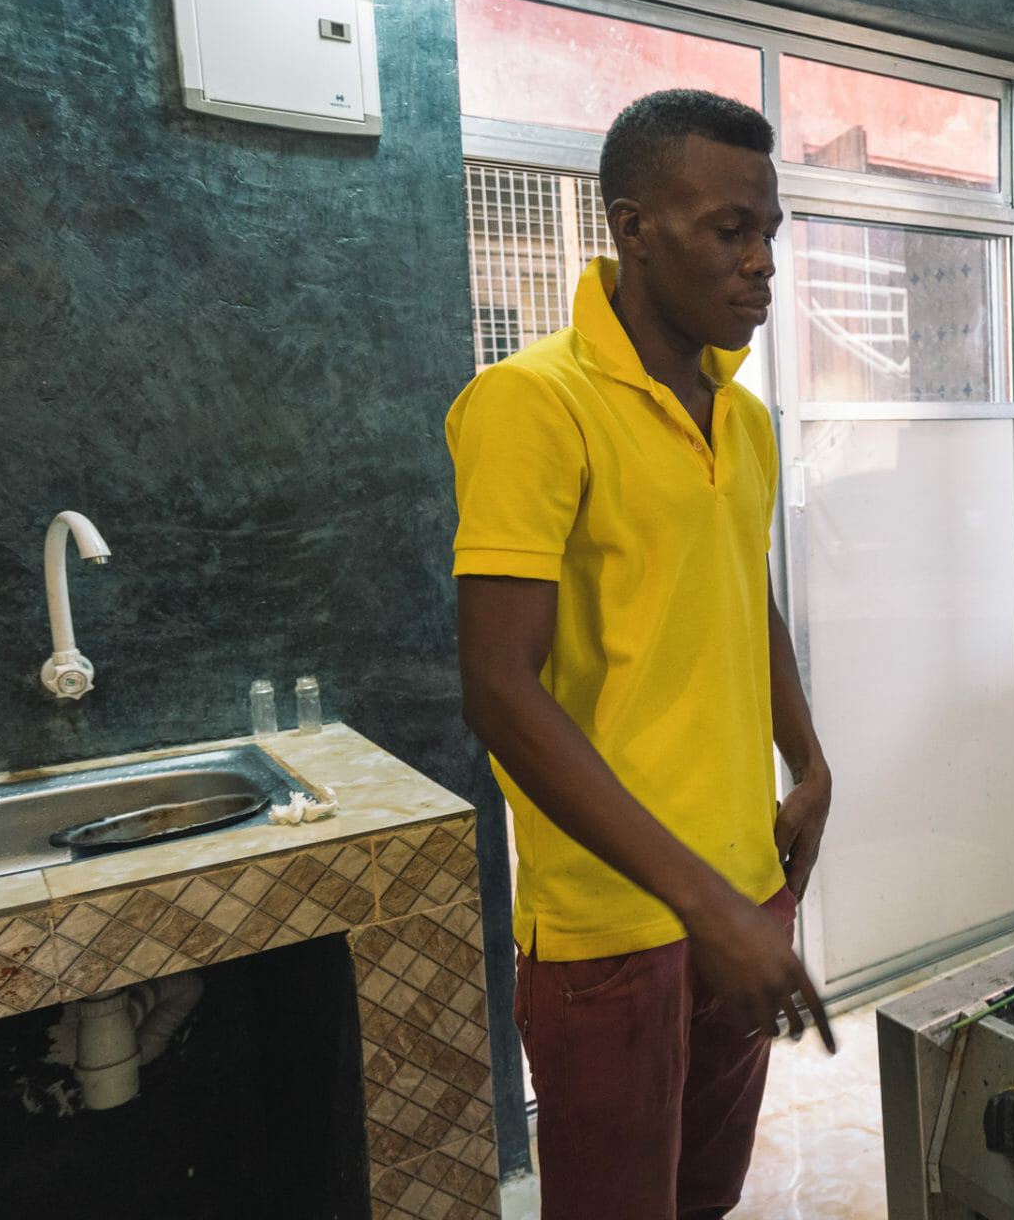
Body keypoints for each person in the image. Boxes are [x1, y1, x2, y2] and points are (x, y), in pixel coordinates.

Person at [447, 89, 833, 1220]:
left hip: (744, 888)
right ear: (631, 227)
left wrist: (805, 756)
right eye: (730, 230)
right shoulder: (531, 404)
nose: (763, 262)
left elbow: (737, 584)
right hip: (614, 924)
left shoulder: (742, 414)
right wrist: (700, 905)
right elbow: (497, 688)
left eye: (772, 231)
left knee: (705, 1196)